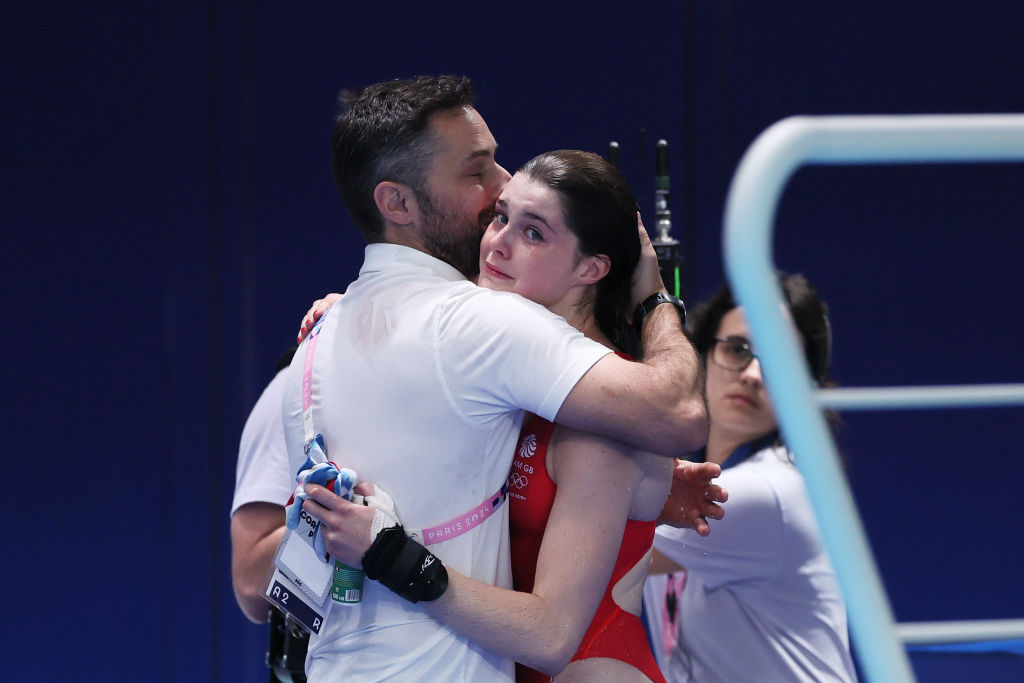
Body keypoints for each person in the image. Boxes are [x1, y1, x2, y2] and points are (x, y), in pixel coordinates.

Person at [280, 75, 710, 682]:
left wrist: (654, 296)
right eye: (496, 206)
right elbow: (673, 416)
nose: (497, 228)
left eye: (533, 231)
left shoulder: (591, 415)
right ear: (397, 203)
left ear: (591, 268)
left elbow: (552, 631)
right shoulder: (489, 349)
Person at [642, 274, 857, 683]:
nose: (755, 374)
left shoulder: (773, 490)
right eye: (738, 350)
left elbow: (601, 551)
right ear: (701, 355)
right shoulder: (689, 479)